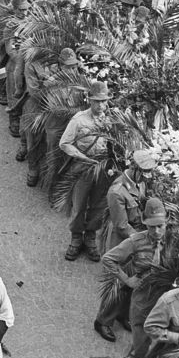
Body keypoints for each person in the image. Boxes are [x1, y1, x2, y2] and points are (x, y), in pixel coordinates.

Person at [96, 197, 177, 358]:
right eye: (152, 227)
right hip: (143, 298)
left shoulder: (177, 241)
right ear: (144, 224)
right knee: (141, 341)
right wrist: (127, 280)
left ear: (167, 223)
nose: (157, 232)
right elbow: (109, 258)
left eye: (160, 226)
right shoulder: (136, 241)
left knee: (169, 338)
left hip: (167, 298)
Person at [58, 81, 115, 261]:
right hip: (84, 166)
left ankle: (90, 237)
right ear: (89, 100)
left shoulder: (110, 119)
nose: (100, 105)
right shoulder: (79, 120)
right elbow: (64, 143)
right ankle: (76, 238)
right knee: (79, 204)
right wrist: (80, 156)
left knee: (98, 204)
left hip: (103, 168)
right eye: (97, 101)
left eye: (103, 101)